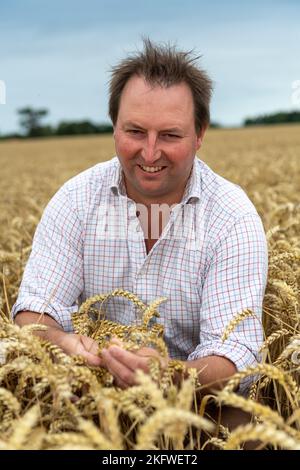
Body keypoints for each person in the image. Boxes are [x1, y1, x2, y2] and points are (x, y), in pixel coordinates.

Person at [12, 39, 268, 396]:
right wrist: (61, 344)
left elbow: (238, 354)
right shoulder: (76, 200)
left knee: (244, 430)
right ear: (114, 126)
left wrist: (173, 376)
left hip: (196, 410)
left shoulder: (231, 217)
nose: (149, 152)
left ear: (199, 133)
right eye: (135, 131)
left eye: (169, 135)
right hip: (87, 396)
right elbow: (33, 312)